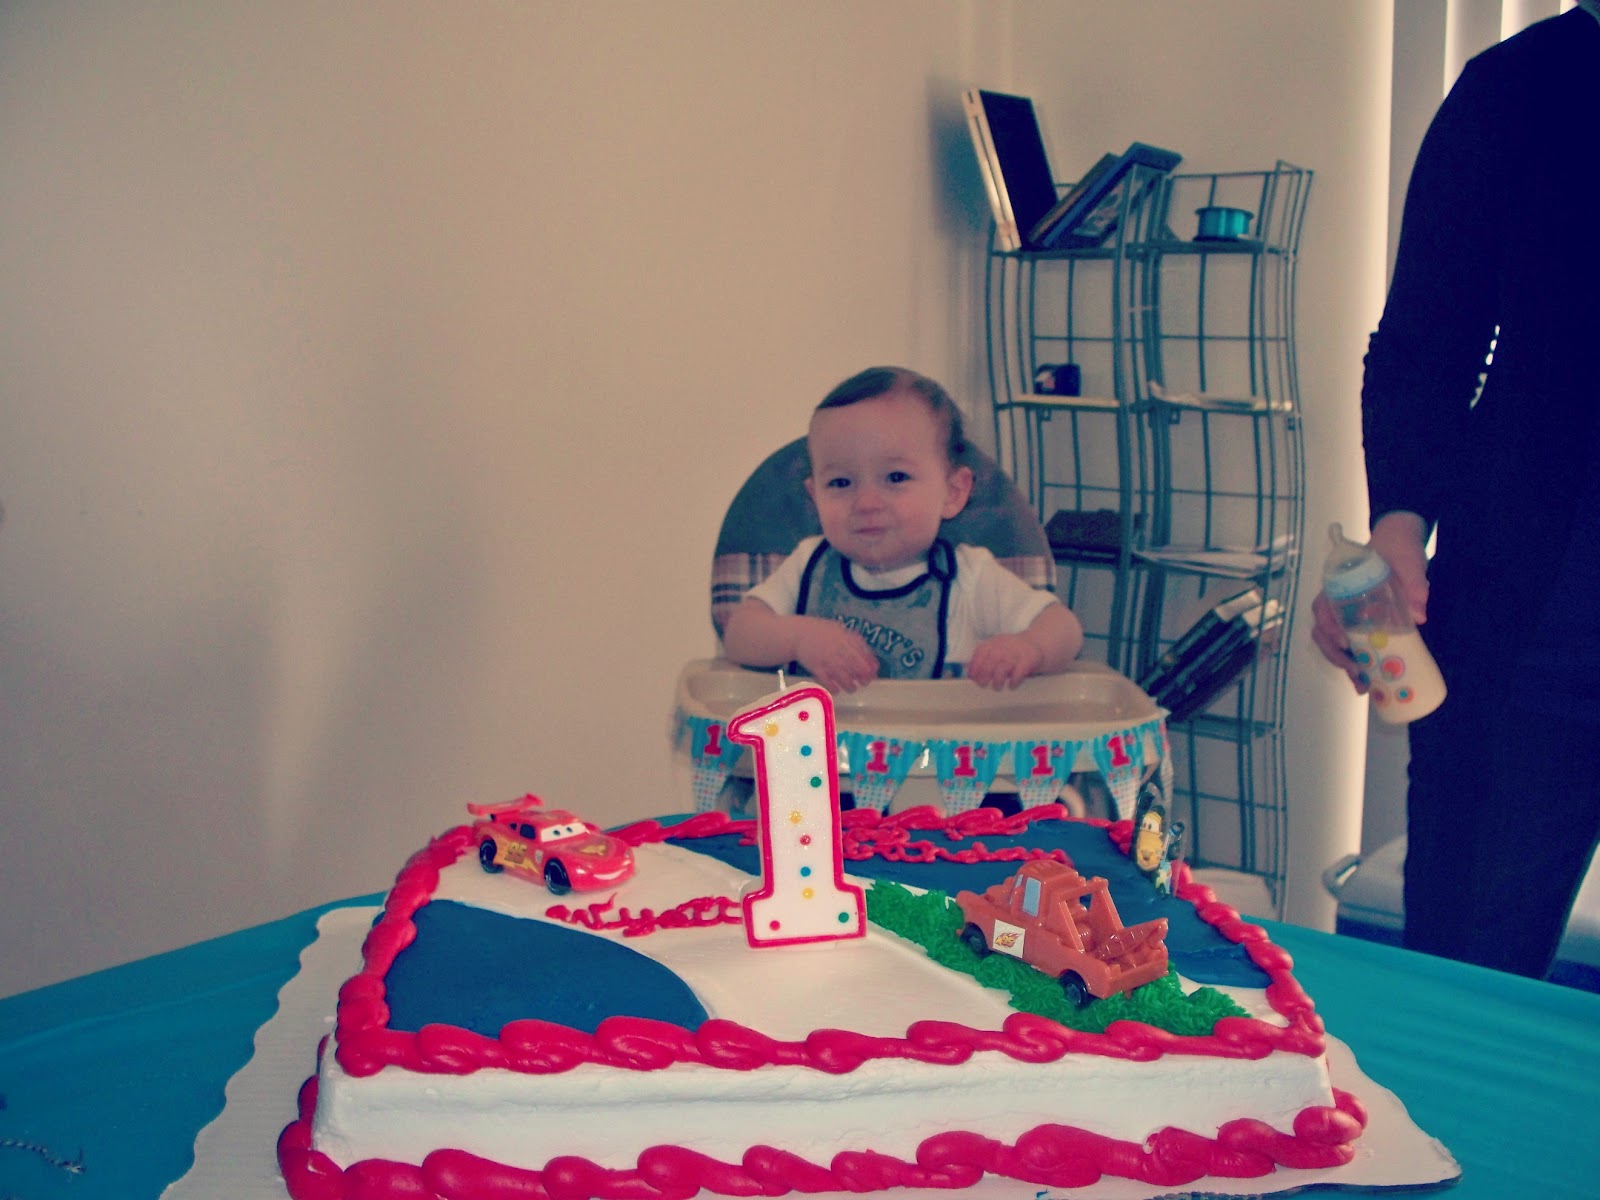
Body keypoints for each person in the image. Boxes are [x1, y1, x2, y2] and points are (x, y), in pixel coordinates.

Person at [1311, 5, 1600, 979]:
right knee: (1464, 980)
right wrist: (1395, 530)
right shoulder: (1516, 89)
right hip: (1526, 642)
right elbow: (1426, 341)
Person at [722, 366, 1083, 693]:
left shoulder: (970, 578)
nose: (866, 503)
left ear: (953, 493)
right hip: (822, 744)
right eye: (840, 482)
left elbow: (1063, 628)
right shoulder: (808, 565)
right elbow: (739, 633)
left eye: (896, 477)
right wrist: (798, 638)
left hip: (934, 746)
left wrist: (1029, 648)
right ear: (815, 496)